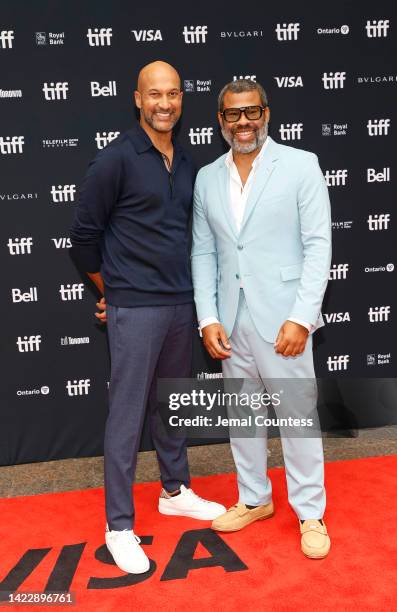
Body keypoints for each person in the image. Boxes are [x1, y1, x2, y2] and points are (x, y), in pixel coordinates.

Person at [69, 61, 225, 575]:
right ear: (137, 99)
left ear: (183, 99)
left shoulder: (186, 163)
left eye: (173, 94)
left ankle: (175, 490)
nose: (164, 103)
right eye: (154, 95)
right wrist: (110, 291)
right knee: (127, 417)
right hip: (134, 307)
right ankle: (118, 526)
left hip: (182, 303)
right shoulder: (115, 159)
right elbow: (84, 238)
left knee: (170, 405)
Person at [191, 79, 332, 559]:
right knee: (243, 417)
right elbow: (203, 252)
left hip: (284, 320)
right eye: (233, 114)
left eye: (251, 112)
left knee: (297, 417)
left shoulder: (300, 165)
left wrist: (302, 316)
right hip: (231, 320)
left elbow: (318, 246)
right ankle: (253, 498)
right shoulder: (208, 177)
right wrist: (208, 316)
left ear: (266, 113)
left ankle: (310, 511)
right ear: (221, 121)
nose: (243, 122)